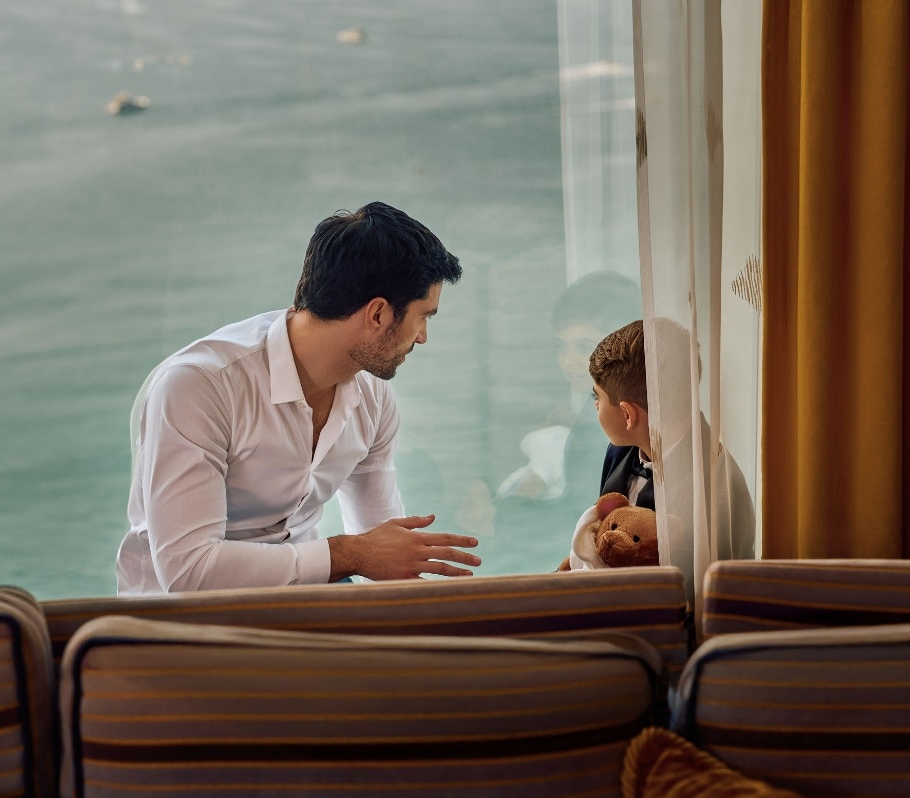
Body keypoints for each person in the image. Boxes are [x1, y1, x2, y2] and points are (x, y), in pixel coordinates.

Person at [116, 201, 481, 595]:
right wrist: (349, 554)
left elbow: (380, 548)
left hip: (307, 599)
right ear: (377, 314)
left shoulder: (373, 397)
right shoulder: (199, 386)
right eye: (423, 316)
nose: (422, 337)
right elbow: (189, 572)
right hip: (183, 616)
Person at [473, 270, 643, 572]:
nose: (568, 360)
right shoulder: (592, 409)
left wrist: (501, 514)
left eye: (583, 346)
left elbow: (579, 514)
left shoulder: (611, 420)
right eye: (561, 346)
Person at [588, 317, 755, 563]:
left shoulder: (715, 495)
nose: (596, 406)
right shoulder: (619, 452)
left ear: (627, 415)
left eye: (598, 398)